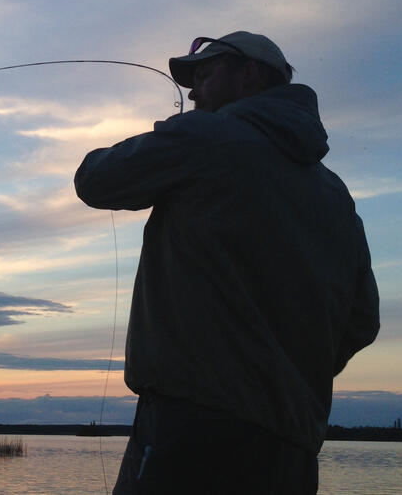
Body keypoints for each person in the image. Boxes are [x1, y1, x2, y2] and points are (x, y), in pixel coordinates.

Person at [74, 32, 379, 494]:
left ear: (248, 75)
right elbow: (363, 323)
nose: (193, 92)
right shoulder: (337, 195)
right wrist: (279, 371)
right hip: (292, 449)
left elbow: (94, 179)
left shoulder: (206, 135)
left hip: (188, 433)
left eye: (205, 74)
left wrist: (173, 133)